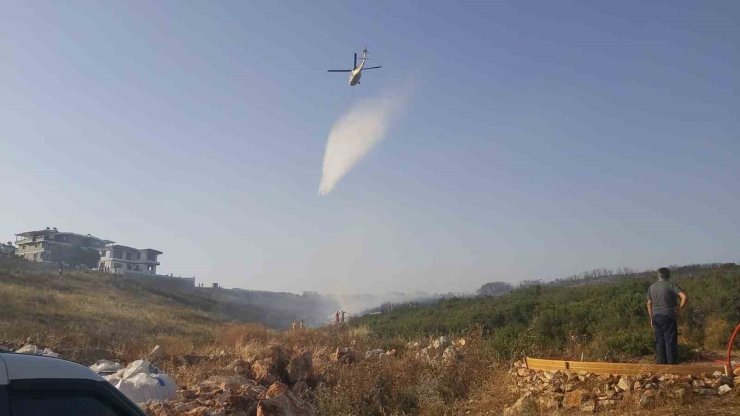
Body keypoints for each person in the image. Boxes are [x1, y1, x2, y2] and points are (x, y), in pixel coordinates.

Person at [646, 267, 687, 364]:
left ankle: (662, 364)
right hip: (669, 317)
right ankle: (672, 365)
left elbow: (649, 303)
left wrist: (651, 317)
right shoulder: (671, 285)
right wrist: (679, 309)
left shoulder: (652, 287)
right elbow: (684, 297)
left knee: (659, 341)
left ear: (658, 275)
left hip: (656, 317)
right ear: (668, 275)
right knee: (670, 341)